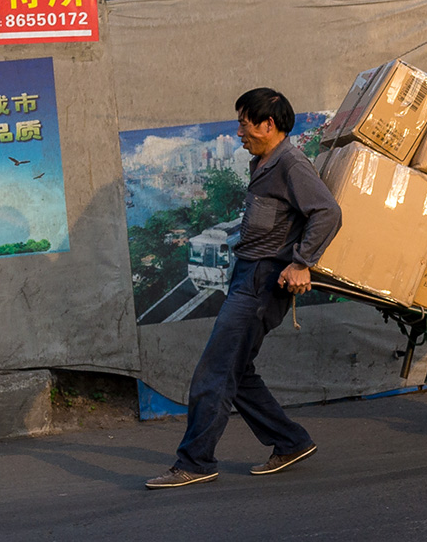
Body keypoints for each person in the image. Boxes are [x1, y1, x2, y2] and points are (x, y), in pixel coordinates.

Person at [146, 88, 342, 489]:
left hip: (261, 282)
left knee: (214, 372)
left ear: (269, 124)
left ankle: (196, 462)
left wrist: (302, 261)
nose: (239, 131)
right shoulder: (265, 161)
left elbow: (328, 212)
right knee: (238, 370)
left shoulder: (290, 163)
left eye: (244, 123)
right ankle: (289, 441)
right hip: (247, 275)